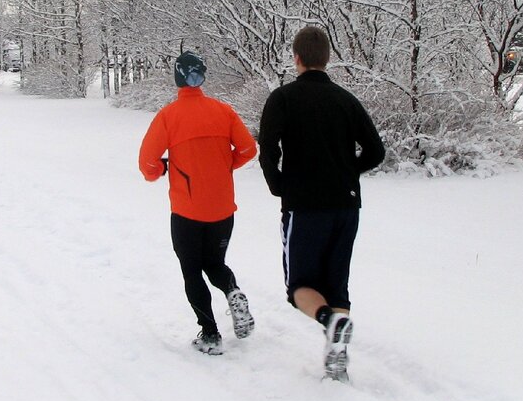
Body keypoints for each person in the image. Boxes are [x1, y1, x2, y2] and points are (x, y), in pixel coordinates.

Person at [258, 26, 385, 381]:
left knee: (299, 287)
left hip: (304, 205)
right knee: (336, 283)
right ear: (326, 59)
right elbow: (376, 152)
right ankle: (336, 354)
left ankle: (331, 322)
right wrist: (346, 172)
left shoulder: (282, 99)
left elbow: (267, 150)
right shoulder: (347, 100)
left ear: (296, 58)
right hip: (346, 206)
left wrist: (280, 186)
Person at [139, 50, 258, 355]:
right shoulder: (223, 111)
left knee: (192, 271)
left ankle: (210, 334)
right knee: (215, 264)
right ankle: (233, 291)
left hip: (187, 212)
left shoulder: (168, 116)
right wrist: (222, 165)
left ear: (178, 78)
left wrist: (164, 169)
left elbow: (147, 165)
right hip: (222, 209)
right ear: (202, 76)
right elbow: (248, 150)